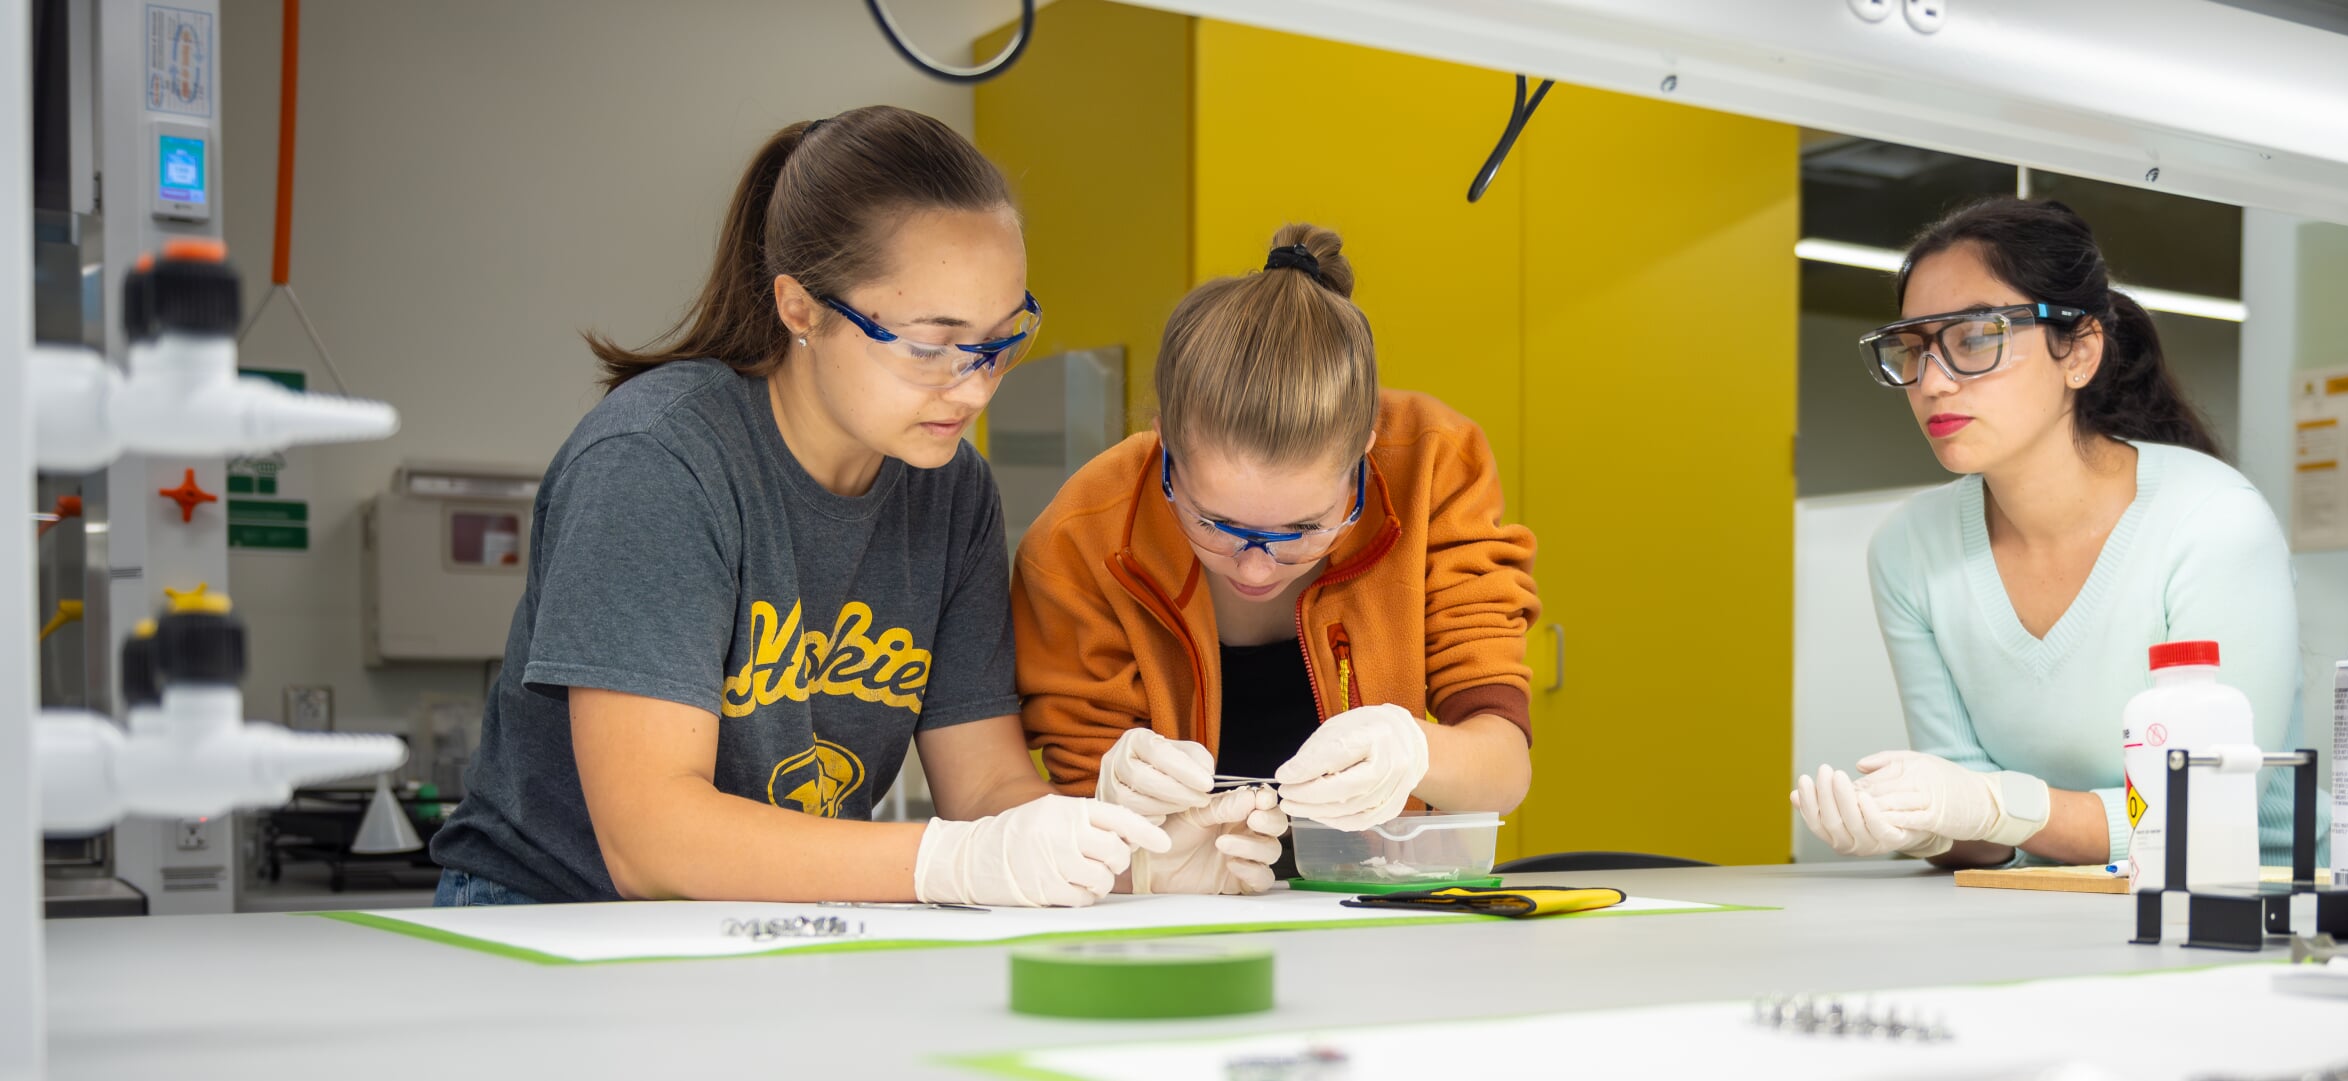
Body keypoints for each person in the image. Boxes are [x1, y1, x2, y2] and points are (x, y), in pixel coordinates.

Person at [428, 106, 1168, 906]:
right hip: (558, 921)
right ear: (800, 306)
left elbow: (986, 788)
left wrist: (1140, 851)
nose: (975, 384)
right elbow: (651, 840)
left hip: (776, 920)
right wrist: (944, 862)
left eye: (1000, 339)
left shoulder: (950, 490)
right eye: (929, 345)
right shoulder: (657, 462)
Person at [1794, 197, 2324, 869]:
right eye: (1913, 349)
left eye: (1974, 338)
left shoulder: (2212, 520)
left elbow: (2206, 816)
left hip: (2267, 906)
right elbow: (1980, 824)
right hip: (2055, 915)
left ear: (2077, 351)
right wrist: (1922, 826)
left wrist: (1997, 806)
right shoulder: (1909, 551)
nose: (1931, 381)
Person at [1012, 223, 1538, 892]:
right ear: (1165, 440)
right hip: (1182, 929)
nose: (1256, 567)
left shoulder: (1435, 469)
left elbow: (1504, 766)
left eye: (1304, 528)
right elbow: (1082, 844)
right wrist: (1123, 821)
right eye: (1215, 523)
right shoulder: (1082, 538)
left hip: (1388, 913)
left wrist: (1417, 749)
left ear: (1366, 449)